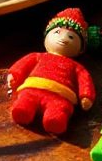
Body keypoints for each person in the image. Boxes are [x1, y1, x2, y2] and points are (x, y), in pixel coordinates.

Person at [7, 7, 95, 135]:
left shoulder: (77, 67)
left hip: (61, 96)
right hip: (33, 87)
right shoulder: (38, 56)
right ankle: (23, 110)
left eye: (71, 37)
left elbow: (84, 80)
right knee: (25, 102)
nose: (64, 39)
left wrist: (86, 96)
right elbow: (22, 65)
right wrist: (14, 76)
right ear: (46, 37)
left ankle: (55, 120)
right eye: (57, 32)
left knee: (58, 111)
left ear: (80, 49)